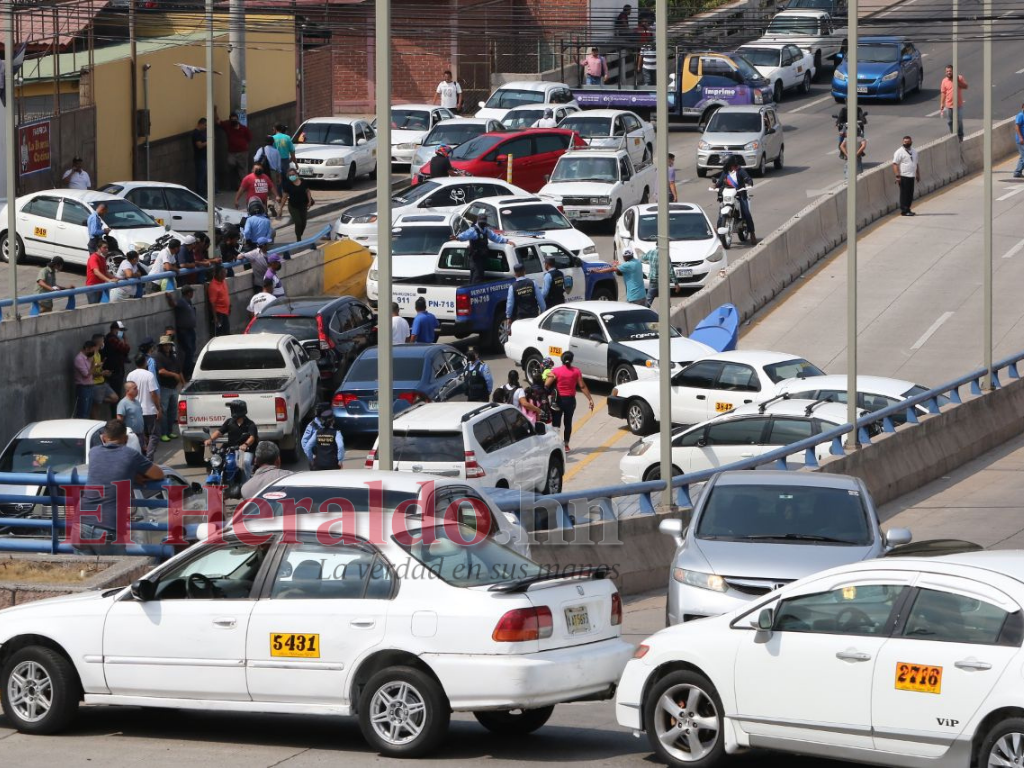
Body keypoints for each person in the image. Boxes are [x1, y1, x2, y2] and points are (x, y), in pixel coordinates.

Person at [75, 419, 164, 555]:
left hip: (80, 525)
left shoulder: (93, 453)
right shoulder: (130, 455)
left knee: (87, 574)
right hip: (107, 528)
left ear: (103, 438)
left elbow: (109, 468)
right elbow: (158, 474)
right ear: (126, 438)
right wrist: (134, 474)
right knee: (116, 573)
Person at [545, 350, 594, 452]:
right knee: (568, 423)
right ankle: (566, 445)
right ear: (571, 360)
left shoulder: (555, 371)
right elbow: (582, 386)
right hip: (570, 401)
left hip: (558, 401)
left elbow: (546, 385)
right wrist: (590, 399)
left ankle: (555, 445)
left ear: (561, 360)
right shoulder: (576, 371)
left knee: (556, 423)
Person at [206, 400, 259, 478]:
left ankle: (247, 482)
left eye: (234, 409)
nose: (232, 411)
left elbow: (252, 437)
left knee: (246, 462)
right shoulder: (229, 422)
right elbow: (219, 432)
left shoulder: (250, 424)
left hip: (245, 451)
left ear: (240, 411)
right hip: (230, 450)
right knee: (216, 460)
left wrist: (245, 444)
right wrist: (210, 439)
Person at [455, 213, 513, 283]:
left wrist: (506, 241)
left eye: (484, 222)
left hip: (482, 257)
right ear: (478, 221)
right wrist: (457, 238)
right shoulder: (473, 230)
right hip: (475, 258)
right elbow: (465, 235)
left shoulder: (486, 230)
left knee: (479, 276)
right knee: (476, 278)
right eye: (481, 222)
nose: (482, 224)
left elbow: (495, 237)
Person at [126, 353, 161, 460]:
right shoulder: (149, 375)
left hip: (135, 410)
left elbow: (128, 393)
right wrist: (158, 408)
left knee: (140, 435)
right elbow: (153, 393)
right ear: (145, 362)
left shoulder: (130, 375)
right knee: (154, 435)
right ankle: (148, 458)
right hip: (149, 410)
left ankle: (141, 457)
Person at [715, 155, 756, 243]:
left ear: (731, 164)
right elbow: (719, 182)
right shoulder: (725, 172)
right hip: (728, 196)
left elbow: (748, 178)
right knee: (720, 214)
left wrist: (749, 182)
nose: (724, 166)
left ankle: (752, 233)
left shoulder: (740, 171)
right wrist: (714, 186)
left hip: (740, 195)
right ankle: (719, 234)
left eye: (725, 164)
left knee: (746, 213)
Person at [153, 335, 184, 442]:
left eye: (168, 345)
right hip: (164, 387)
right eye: (165, 345)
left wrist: (183, 383)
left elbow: (179, 371)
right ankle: (164, 433)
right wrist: (174, 375)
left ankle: (170, 431)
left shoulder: (173, 357)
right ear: (161, 346)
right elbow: (161, 371)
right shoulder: (158, 356)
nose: (167, 347)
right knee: (164, 411)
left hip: (174, 387)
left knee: (173, 411)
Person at [216, 106, 253, 188]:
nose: (233, 120)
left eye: (235, 119)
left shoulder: (244, 129)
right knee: (231, 163)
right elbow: (218, 121)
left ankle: (244, 186)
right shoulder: (227, 126)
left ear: (237, 119)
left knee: (243, 171)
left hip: (242, 152)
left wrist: (244, 146)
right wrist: (215, 111)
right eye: (232, 119)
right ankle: (237, 180)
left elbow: (249, 138)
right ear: (230, 120)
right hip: (232, 152)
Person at [166, 286, 198, 379]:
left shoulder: (188, 302)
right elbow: (174, 304)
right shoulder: (182, 301)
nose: (193, 294)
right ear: (188, 293)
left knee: (192, 350)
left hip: (190, 330)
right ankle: (186, 372)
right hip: (184, 331)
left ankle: (189, 369)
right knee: (188, 351)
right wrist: (169, 298)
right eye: (191, 292)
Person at [280, 166, 314, 239]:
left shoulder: (303, 181)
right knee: (298, 222)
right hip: (293, 206)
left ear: (296, 174)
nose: (292, 176)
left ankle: (299, 234)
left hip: (303, 206)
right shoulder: (287, 185)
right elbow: (284, 197)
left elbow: (307, 191)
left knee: (303, 223)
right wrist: (280, 208)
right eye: (290, 175)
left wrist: (309, 201)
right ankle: (298, 238)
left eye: (293, 174)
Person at [91, 333, 119, 419]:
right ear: (99, 342)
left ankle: (99, 399)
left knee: (115, 398)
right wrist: (101, 373)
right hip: (96, 384)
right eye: (103, 341)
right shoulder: (92, 355)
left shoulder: (98, 354)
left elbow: (97, 370)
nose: (104, 342)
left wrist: (103, 371)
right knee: (96, 409)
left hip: (102, 382)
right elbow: (90, 373)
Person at [892, 135, 920, 216]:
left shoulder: (914, 151)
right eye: (905, 142)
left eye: (908, 142)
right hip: (904, 176)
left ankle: (908, 209)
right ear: (902, 142)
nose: (906, 143)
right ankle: (904, 210)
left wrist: (918, 174)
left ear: (911, 142)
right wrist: (897, 176)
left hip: (912, 176)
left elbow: (916, 163)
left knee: (910, 194)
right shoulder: (899, 152)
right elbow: (895, 164)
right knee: (904, 194)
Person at [939, 65, 968, 141]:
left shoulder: (959, 78)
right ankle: (953, 135)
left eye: (950, 71)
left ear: (953, 71)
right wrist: (942, 103)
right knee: (949, 122)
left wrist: (957, 81)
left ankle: (960, 135)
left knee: (959, 120)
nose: (948, 73)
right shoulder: (944, 81)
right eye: (947, 71)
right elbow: (943, 93)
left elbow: (965, 86)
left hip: (958, 105)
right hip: (949, 105)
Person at [103, 321, 131, 397]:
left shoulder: (114, 338)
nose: (122, 333)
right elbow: (126, 348)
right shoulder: (111, 338)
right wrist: (125, 340)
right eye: (121, 330)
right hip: (114, 371)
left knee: (118, 392)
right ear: (115, 329)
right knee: (116, 393)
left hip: (117, 369)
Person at [73, 339, 97, 419]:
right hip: (83, 388)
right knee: (82, 413)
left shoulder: (87, 358)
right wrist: (94, 365)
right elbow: (86, 374)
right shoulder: (79, 359)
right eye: (92, 350)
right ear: (87, 349)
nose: (93, 353)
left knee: (87, 411)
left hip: (90, 386)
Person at [208, 265, 231, 336]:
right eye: (223, 273)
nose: (225, 275)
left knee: (227, 332)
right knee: (221, 334)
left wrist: (229, 306)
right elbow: (212, 303)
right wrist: (215, 318)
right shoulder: (213, 286)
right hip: (219, 313)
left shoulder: (223, 281)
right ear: (218, 274)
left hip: (225, 311)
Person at [192, 117, 209, 197]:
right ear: (200, 124)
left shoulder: (201, 133)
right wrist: (208, 142)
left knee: (203, 175)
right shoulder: (196, 133)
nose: (206, 127)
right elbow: (199, 145)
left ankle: (202, 192)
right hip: (200, 157)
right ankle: (200, 194)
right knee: (201, 176)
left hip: (203, 157)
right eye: (205, 125)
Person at [1014, 103, 1024, 179]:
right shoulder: (1020, 115)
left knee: (1022, 156)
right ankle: (1017, 172)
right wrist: (1020, 138)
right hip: (1021, 140)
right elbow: (1017, 127)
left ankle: (1017, 172)